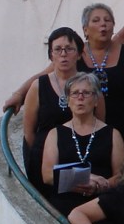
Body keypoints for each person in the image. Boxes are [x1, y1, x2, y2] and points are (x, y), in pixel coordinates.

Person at [41, 72, 124, 217]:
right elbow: (47, 175)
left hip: (100, 205)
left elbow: (121, 175)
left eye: (86, 93)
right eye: (75, 93)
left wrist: (98, 185)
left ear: (96, 100)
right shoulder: (55, 134)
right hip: (64, 205)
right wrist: (86, 178)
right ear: (68, 100)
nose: (80, 97)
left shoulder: (113, 134)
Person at [21, 27, 83, 187]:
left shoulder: (89, 85)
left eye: (69, 49)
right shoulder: (38, 86)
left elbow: (98, 121)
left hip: (79, 158)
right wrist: (43, 154)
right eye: (58, 49)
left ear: (79, 54)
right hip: (43, 161)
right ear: (51, 55)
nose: (63, 54)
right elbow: (28, 132)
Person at [78, 3, 124, 141]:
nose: (103, 24)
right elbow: (52, 74)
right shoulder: (76, 54)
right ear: (85, 30)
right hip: (83, 134)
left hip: (122, 133)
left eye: (107, 20)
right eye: (96, 20)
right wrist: (27, 87)